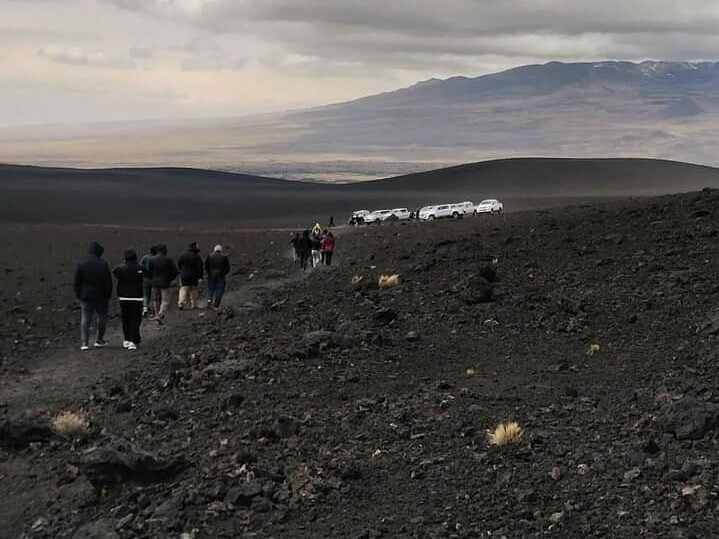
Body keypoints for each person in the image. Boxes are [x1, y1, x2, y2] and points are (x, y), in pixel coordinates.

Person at [73, 242, 112, 351]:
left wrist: (78, 294)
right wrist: (107, 294)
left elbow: (77, 281)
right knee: (102, 318)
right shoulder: (103, 264)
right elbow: (108, 282)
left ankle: (85, 342)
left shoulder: (81, 263)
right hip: (101, 296)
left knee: (85, 318)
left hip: (85, 295)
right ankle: (99, 339)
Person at [113, 249, 144, 350]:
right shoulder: (139, 268)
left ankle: (127, 339)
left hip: (123, 297)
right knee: (135, 320)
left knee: (126, 319)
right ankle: (134, 341)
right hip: (136, 297)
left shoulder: (120, 269)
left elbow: (115, 273)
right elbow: (145, 274)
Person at [147, 243, 178, 321]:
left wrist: (151, 279)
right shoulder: (168, 260)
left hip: (154, 283)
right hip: (165, 283)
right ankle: (161, 313)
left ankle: (157, 314)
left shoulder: (151, 260)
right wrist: (170, 279)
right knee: (166, 300)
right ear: (164, 250)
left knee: (155, 299)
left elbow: (148, 271)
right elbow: (174, 271)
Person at [177, 242, 203, 309]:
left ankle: (181, 303)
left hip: (184, 275)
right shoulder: (196, 256)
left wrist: (182, 271)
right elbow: (199, 267)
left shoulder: (182, 255)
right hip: (194, 276)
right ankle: (194, 304)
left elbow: (179, 264)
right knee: (193, 290)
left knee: (183, 289)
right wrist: (200, 277)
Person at [205, 244, 231, 308]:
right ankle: (216, 303)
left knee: (210, 289)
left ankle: (209, 300)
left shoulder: (210, 256)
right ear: (221, 250)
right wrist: (224, 273)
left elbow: (206, 266)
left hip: (211, 276)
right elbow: (227, 267)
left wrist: (209, 273)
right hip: (221, 276)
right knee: (220, 290)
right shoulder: (224, 257)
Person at [139, 245, 157, 317]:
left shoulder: (145, 258)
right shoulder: (155, 259)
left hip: (146, 279)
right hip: (154, 279)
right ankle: (153, 310)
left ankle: (145, 309)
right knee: (154, 295)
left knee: (146, 295)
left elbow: (140, 266)